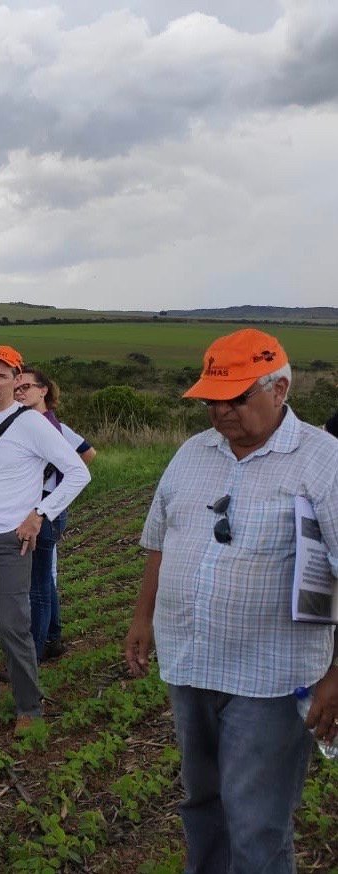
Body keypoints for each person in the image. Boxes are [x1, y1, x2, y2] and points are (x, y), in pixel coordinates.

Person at [123, 328, 338, 874]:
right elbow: (160, 538)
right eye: (212, 400)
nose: (221, 412)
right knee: (202, 804)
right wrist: (143, 617)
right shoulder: (194, 453)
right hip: (191, 663)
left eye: (238, 397)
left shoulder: (323, 460)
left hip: (272, 676)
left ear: (281, 388)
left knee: (256, 822)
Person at [0, 346, 90, 733]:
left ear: (16, 380)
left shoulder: (31, 424)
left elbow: (77, 472)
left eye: (2, 376)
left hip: (10, 541)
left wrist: (39, 514)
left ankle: (28, 708)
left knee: (13, 625)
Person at [14, 368, 96, 661]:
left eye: (26, 387)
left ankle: (32, 654)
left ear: (43, 391)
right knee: (44, 580)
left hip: (44, 509)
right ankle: (52, 638)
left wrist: (57, 479)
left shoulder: (47, 426)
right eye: (17, 388)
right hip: (46, 507)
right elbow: (86, 452)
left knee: (36, 584)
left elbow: (87, 456)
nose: (19, 392)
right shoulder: (47, 424)